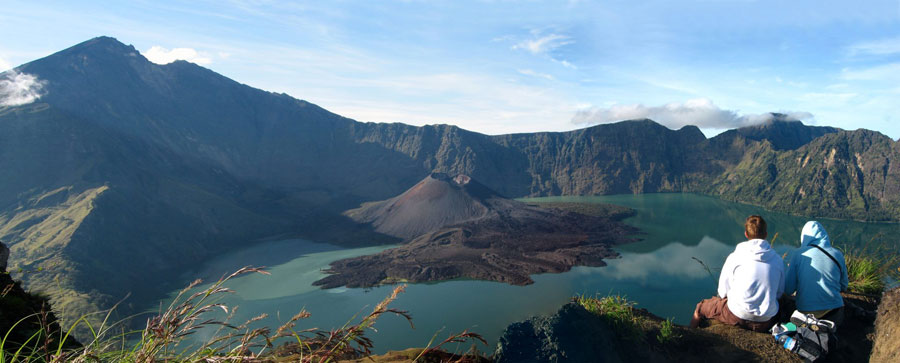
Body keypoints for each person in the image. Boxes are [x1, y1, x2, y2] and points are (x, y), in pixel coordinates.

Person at [690, 215, 784, 332]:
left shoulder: (735, 257)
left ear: (746, 234)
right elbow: (779, 293)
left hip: (736, 315)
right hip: (766, 320)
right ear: (765, 235)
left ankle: (690, 334)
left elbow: (723, 291)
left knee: (700, 308)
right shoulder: (778, 260)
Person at [783, 221, 848, 326]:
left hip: (805, 314)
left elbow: (788, 289)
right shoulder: (838, 254)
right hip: (834, 315)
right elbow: (844, 286)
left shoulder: (799, 254)